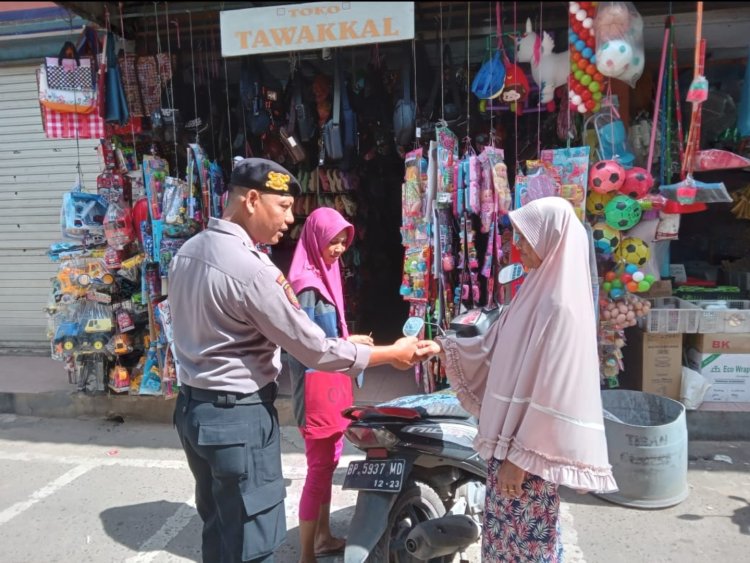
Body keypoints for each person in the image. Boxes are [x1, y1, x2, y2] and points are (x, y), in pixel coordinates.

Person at [169, 157, 429, 563]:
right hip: (238, 419)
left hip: (194, 411)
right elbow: (315, 349)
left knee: (220, 528)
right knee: (253, 541)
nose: (291, 219)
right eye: (284, 206)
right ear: (252, 200)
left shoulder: (188, 252)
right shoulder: (251, 271)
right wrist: (391, 354)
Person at [419, 197, 618, 562]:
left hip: (529, 458)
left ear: (551, 241)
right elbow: (497, 344)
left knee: (526, 550)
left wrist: (521, 461)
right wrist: (443, 347)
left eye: (526, 239)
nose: (519, 248)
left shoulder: (560, 308)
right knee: (504, 545)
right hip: (510, 448)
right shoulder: (537, 293)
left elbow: (556, 395)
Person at [285, 207, 369, 562]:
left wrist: (352, 342)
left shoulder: (325, 274)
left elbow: (329, 337)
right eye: (332, 241)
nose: (337, 249)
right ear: (315, 239)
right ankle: (306, 554)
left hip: (330, 384)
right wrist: (353, 348)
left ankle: (322, 536)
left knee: (328, 463)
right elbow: (312, 347)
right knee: (319, 469)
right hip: (317, 390)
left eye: (342, 242)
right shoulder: (307, 285)